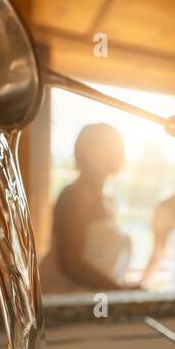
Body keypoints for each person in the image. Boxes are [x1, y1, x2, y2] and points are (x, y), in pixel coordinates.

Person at [39, 123, 133, 292]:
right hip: (63, 298)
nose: (113, 154)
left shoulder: (106, 200)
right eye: (105, 148)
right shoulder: (75, 194)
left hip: (94, 299)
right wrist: (118, 291)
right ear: (85, 153)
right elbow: (70, 263)